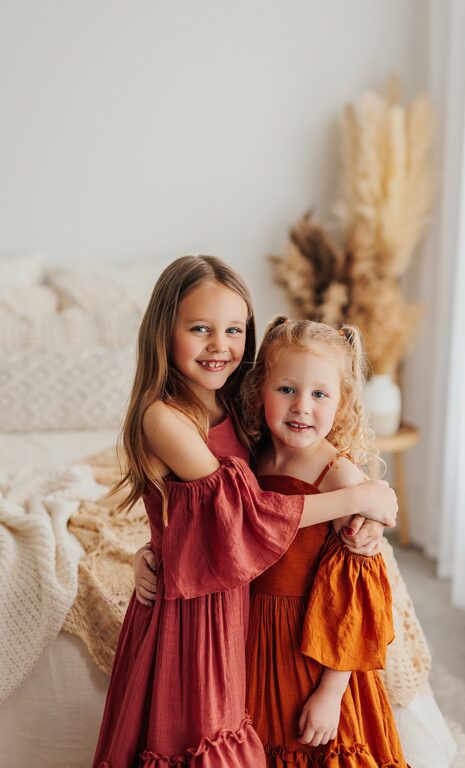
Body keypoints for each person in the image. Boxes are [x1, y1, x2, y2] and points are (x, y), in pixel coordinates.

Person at [93, 256, 397, 767]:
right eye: (199, 329)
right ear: (164, 333)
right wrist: (362, 497)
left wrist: (368, 523)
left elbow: (199, 519)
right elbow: (241, 513)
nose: (219, 345)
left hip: (237, 606)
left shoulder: (235, 409)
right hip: (195, 615)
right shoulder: (161, 417)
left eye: (234, 330)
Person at [239, 316, 405, 766]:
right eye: (287, 389)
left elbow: (356, 601)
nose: (301, 407)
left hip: (310, 650)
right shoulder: (250, 458)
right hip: (254, 636)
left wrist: (331, 692)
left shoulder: (339, 477)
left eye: (319, 394)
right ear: (260, 390)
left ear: (342, 402)